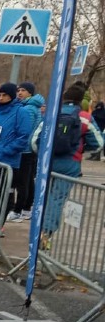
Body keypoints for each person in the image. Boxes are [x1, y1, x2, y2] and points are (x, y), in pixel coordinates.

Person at [34, 83, 103, 239]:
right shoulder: (85, 117)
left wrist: (44, 154)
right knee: (57, 198)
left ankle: (36, 231)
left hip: (47, 162)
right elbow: (98, 144)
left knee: (42, 197)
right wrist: (83, 149)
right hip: (70, 163)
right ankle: (46, 234)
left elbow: (34, 140)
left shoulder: (51, 113)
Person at [0, 84, 35, 224]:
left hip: (5, 163)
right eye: (0, 95)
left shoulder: (21, 113)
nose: (2, 98)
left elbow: (23, 137)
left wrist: (6, 150)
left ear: (12, 96)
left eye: (5, 95)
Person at [11, 82, 45, 218]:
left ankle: (18, 210)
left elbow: (26, 129)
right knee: (28, 180)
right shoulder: (31, 106)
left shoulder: (29, 108)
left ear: (30, 93)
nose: (19, 93)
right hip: (30, 149)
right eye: (18, 90)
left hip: (25, 149)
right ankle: (26, 208)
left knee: (22, 181)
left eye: (23, 90)